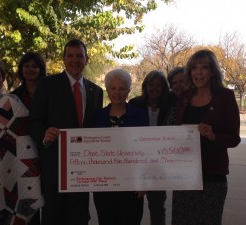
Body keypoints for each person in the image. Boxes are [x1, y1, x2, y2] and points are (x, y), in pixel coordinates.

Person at [28, 39, 103, 225]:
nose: (75, 60)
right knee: (54, 217)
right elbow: (34, 121)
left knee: (79, 217)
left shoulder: (97, 91)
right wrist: (44, 134)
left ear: (87, 59)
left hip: (84, 170)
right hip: (55, 167)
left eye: (79, 56)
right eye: (70, 56)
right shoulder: (47, 85)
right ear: (63, 59)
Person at [172, 49, 241, 225]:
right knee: (182, 220)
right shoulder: (185, 97)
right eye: (194, 68)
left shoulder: (225, 97)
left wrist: (214, 135)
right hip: (184, 174)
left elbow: (234, 138)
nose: (198, 72)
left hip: (212, 175)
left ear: (213, 72)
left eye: (204, 67)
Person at [93, 68, 149, 225]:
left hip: (132, 185)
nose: (117, 92)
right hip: (104, 186)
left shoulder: (140, 115)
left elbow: (146, 150)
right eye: (113, 88)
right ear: (107, 90)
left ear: (128, 91)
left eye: (122, 88)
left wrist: (144, 181)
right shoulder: (97, 117)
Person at [129, 70, 170, 225]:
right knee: (133, 207)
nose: (154, 88)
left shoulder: (170, 105)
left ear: (164, 88)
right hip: (137, 164)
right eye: (151, 84)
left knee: (157, 207)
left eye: (159, 85)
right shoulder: (134, 104)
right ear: (145, 86)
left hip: (160, 165)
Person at [11, 52, 46, 225]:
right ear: (21, 69)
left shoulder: (49, 92)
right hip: (23, 154)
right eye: (27, 66)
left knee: (46, 199)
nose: (30, 69)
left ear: (40, 69)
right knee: (28, 198)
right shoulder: (14, 96)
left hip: (46, 150)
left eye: (34, 66)